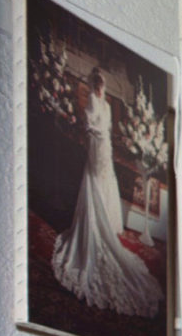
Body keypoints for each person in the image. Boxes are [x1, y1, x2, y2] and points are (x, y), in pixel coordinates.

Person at [50, 68, 163, 319]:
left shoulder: (107, 105)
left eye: (101, 85)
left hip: (105, 151)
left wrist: (102, 141)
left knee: (104, 184)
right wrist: (97, 136)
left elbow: (106, 127)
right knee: (94, 186)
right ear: (93, 85)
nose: (99, 88)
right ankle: (92, 226)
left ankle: (106, 225)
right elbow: (90, 125)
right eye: (97, 84)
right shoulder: (91, 100)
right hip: (95, 150)